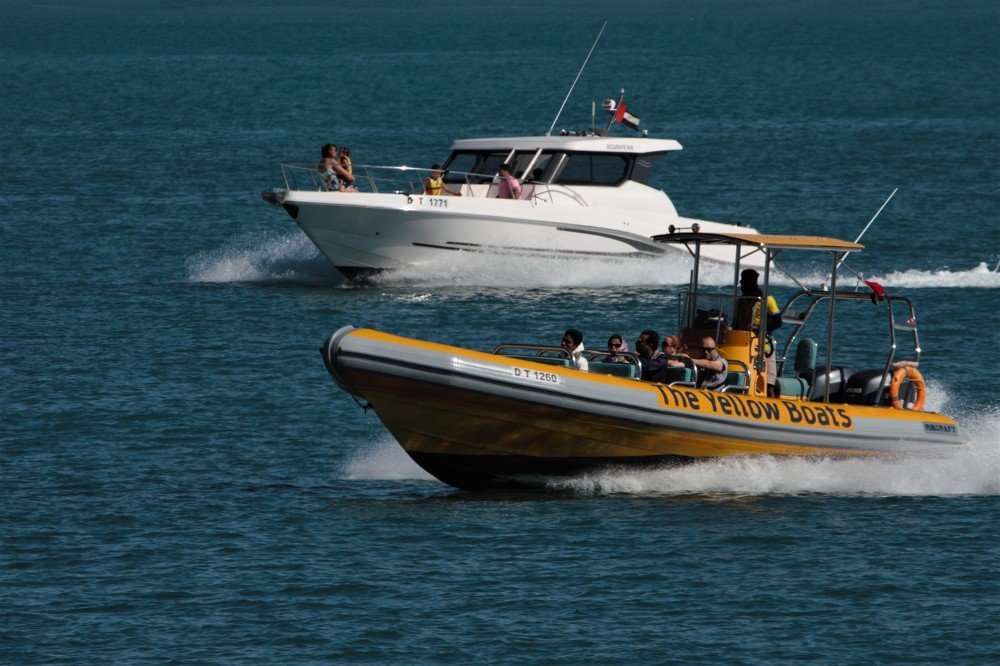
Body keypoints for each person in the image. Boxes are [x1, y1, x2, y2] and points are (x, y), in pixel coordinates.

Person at [734, 269, 780, 395]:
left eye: (744, 281)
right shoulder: (741, 300)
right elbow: (736, 321)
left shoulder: (767, 300)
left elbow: (778, 322)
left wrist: (758, 327)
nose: (741, 283)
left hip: (764, 347)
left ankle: (772, 402)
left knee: (769, 382)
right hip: (744, 345)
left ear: (752, 281)